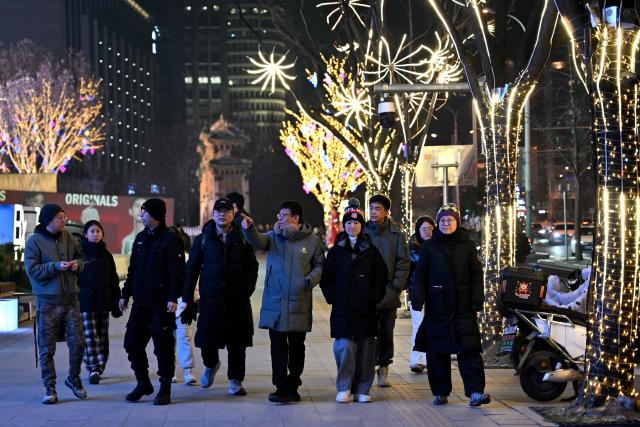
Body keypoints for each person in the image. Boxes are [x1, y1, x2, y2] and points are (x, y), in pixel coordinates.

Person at [241, 201, 324, 403]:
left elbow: (319, 265)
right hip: (275, 302)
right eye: (278, 214)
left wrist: (308, 281)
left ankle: (293, 384)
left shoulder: (312, 241)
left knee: (297, 346)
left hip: (298, 302)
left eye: (283, 214)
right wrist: (249, 228)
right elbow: (257, 241)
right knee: (277, 347)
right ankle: (280, 386)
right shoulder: (273, 237)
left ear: (295, 218)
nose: (279, 217)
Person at [411, 203, 490, 407]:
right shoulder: (430, 246)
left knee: (469, 350)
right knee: (437, 353)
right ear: (438, 223)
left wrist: (476, 299)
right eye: (443, 220)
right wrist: (417, 297)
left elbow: (475, 274)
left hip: (463, 308)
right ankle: (440, 392)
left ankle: (475, 392)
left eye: (450, 220)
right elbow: (420, 275)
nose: (446, 223)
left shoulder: (467, 245)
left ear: (457, 222)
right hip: (437, 307)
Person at [184, 198, 259, 395]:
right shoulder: (203, 239)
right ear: (213, 214)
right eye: (218, 211)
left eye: (226, 211)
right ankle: (211, 365)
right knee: (207, 341)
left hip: (237, 300)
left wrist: (247, 289)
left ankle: (235, 380)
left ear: (232, 214)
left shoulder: (242, 239)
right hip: (211, 300)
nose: (222, 214)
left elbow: (253, 266)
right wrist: (187, 298)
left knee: (237, 344)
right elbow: (191, 270)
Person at [118, 198, 185, 405]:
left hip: (161, 305)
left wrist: (173, 298)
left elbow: (177, 272)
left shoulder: (170, 239)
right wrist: (125, 294)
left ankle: (165, 388)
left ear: (154, 214)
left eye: (144, 212)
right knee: (131, 344)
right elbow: (133, 271)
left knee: (163, 348)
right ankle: (143, 383)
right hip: (140, 304)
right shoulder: (140, 238)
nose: (141, 215)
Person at [320, 199, 387, 403]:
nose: (352, 225)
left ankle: (363, 388)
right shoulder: (336, 250)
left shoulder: (371, 250)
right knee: (344, 346)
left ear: (362, 225)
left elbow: (381, 275)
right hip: (342, 307)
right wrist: (332, 297)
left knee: (366, 350)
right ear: (344, 224)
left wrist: (375, 296)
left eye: (356, 222)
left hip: (366, 308)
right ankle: (344, 387)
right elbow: (326, 277)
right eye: (349, 222)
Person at [24, 204, 87, 404]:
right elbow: (32, 270)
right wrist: (55, 267)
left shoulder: (68, 237)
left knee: (78, 343)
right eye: (60, 217)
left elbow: (81, 258)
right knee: (46, 347)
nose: (64, 220)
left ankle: (73, 378)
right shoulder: (34, 241)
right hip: (47, 302)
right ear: (48, 219)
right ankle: (49, 387)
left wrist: (78, 265)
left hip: (71, 300)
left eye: (64, 217)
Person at [363, 194, 410, 387]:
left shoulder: (396, 234)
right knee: (366, 331)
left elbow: (403, 263)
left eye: (378, 209)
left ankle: (383, 366)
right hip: (365, 293)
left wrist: (395, 287)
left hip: (388, 292)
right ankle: (366, 368)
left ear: (386, 211)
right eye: (371, 208)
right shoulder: (363, 231)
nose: (373, 212)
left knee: (385, 331)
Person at [78, 220, 121, 385]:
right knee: (89, 336)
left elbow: (113, 280)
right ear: (85, 234)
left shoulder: (106, 255)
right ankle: (93, 367)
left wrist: (117, 302)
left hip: (103, 302)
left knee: (102, 336)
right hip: (85, 302)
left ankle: (100, 366)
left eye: (98, 231)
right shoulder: (80, 254)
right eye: (92, 231)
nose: (95, 234)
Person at [167, 225, 197, 386]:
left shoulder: (186, 258)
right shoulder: (159, 255)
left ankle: (188, 371)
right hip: (163, 306)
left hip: (182, 304)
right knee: (166, 339)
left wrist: (194, 300)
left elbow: (193, 281)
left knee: (185, 336)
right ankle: (169, 370)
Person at [406, 216, 436, 374]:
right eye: (424, 229)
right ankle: (417, 360)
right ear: (418, 230)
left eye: (430, 229)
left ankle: (431, 359)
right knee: (418, 325)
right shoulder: (411, 249)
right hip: (416, 293)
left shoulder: (439, 247)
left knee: (433, 326)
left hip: (435, 294)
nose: (427, 232)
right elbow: (407, 272)